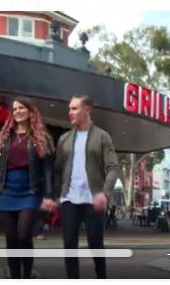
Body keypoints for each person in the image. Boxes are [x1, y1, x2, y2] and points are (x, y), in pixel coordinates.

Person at [44, 94, 119, 279]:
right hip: (69, 198)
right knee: (69, 244)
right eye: (70, 108)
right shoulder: (64, 139)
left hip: (94, 199)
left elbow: (113, 167)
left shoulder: (102, 137)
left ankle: (101, 277)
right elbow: (58, 170)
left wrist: (105, 193)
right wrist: (55, 196)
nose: (70, 112)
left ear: (87, 110)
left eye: (74, 108)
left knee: (95, 243)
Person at [0, 97, 55, 279]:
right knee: (11, 239)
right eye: (15, 109)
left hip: (30, 192)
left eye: (21, 108)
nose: (17, 111)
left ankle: (27, 275)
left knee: (24, 236)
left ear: (30, 111)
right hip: (7, 192)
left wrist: (49, 195)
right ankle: (15, 277)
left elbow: (48, 169)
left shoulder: (41, 138)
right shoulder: (5, 137)